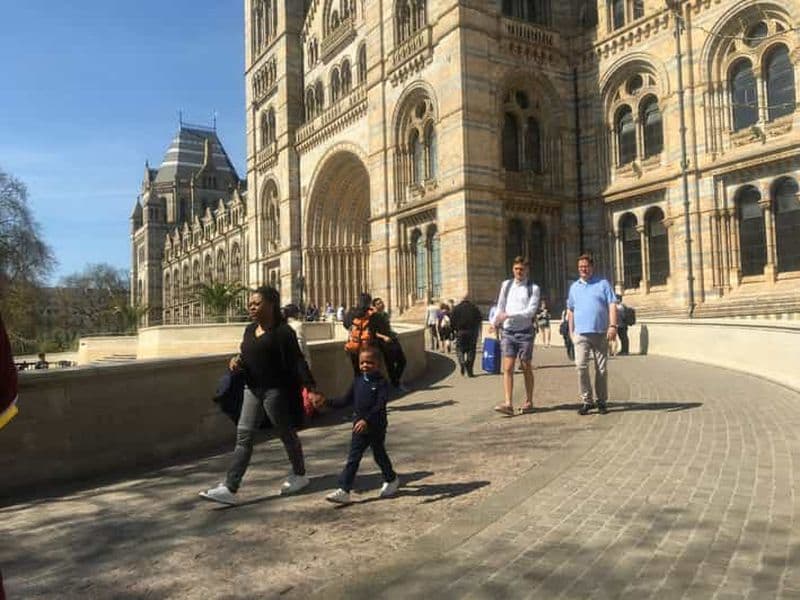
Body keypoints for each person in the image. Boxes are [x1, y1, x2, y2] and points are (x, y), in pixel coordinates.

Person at [199, 286, 323, 506]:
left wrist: (311, 388)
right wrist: (236, 361)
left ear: (271, 305)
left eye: (256, 303)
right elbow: (246, 354)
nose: (251, 307)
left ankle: (300, 474)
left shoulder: (284, 332)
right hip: (251, 389)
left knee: (286, 434)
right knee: (244, 437)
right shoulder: (249, 330)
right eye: (250, 304)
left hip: (275, 391)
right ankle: (230, 487)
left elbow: (297, 361)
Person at [321, 346, 399, 504]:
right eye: (362, 362)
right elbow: (344, 400)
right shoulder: (357, 381)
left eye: (369, 363)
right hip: (359, 426)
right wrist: (326, 402)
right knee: (354, 457)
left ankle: (391, 479)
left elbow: (380, 405)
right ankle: (344, 489)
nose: (365, 366)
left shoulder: (382, 383)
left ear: (378, 364)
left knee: (379, 454)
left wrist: (367, 420)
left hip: (375, 425)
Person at [567, 254, 617, 415]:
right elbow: (570, 310)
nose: (583, 269)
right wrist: (571, 332)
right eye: (581, 267)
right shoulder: (574, 287)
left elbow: (612, 305)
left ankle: (601, 401)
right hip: (580, 334)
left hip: (601, 332)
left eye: (586, 266)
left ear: (592, 267)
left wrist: (613, 326)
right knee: (580, 366)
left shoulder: (603, 284)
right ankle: (587, 401)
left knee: (601, 369)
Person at [492, 256, 540, 416]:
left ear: (527, 270)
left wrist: (508, 315)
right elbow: (500, 306)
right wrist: (495, 321)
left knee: (526, 367)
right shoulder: (506, 285)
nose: (519, 272)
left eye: (522, 269)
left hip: (525, 332)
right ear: (513, 269)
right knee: (507, 367)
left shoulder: (533, 288)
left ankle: (529, 401)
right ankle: (508, 403)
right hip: (508, 333)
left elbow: (530, 312)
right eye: (516, 269)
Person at [371, 297, 407, 391]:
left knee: (402, 361)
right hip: (383, 342)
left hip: (392, 339)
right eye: (378, 303)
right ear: (374, 306)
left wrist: (393, 333)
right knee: (390, 364)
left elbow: (388, 327)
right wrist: (384, 337)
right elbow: (373, 332)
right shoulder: (373, 317)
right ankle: (396, 383)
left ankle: (395, 381)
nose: (381, 304)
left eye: (381, 302)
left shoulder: (385, 315)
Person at [343, 292, 376, 376]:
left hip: (353, 346)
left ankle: (359, 386)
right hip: (366, 347)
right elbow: (377, 327)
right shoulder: (371, 313)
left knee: (357, 371)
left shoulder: (352, 311)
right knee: (368, 371)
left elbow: (345, 324)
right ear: (369, 302)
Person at [450, 296, 482, 377]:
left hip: (460, 332)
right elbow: (479, 319)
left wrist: (454, 330)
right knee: (471, 350)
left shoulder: (456, 309)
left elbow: (452, 321)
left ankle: (462, 362)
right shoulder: (474, 308)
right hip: (472, 332)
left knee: (459, 349)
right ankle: (470, 371)